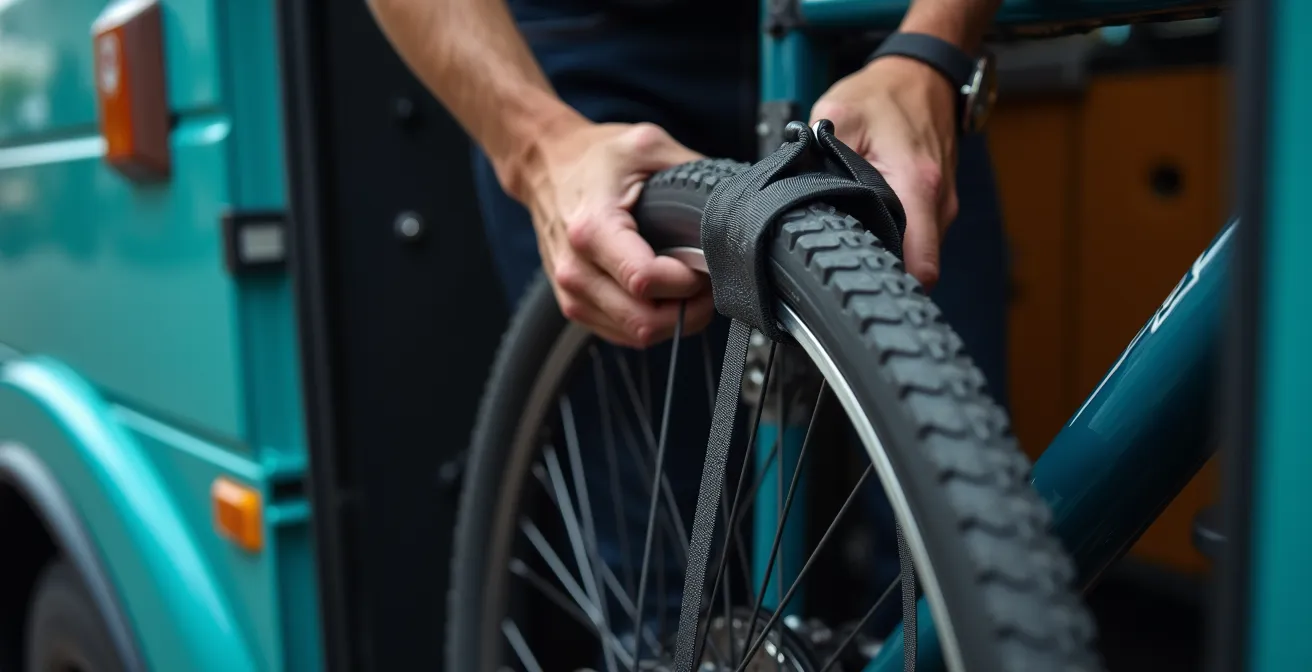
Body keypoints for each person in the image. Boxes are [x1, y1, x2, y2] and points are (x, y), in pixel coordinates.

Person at [370, 0, 1010, 651]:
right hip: (593, 57)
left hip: (874, 41)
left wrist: (932, 46)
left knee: (965, 554)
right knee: (665, 605)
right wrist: (537, 145)